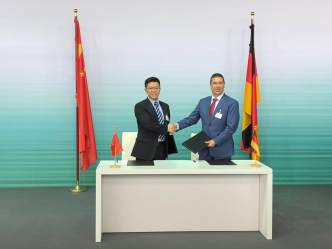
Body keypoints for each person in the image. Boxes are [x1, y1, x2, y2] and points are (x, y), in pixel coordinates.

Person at [169, 73, 239, 160]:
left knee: (220, 174)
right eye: (214, 83)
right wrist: (176, 125)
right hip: (203, 149)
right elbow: (192, 119)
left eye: (220, 83)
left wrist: (215, 141)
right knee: (203, 173)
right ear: (210, 85)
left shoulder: (232, 103)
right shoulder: (203, 102)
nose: (217, 86)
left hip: (222, 150)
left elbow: (231, 127)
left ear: (224, 84)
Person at [131, 77, 177, 160]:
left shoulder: (165, 106)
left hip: (162, 148)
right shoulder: (140, 106)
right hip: (145, 150)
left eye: (156, 88)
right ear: (146, 90)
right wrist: (167, 128)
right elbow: (147, 125)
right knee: (145, 173)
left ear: (160, 89)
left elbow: (166, 123)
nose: (154, 90)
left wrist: (172, 128)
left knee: (161, 172)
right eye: (150, 88)